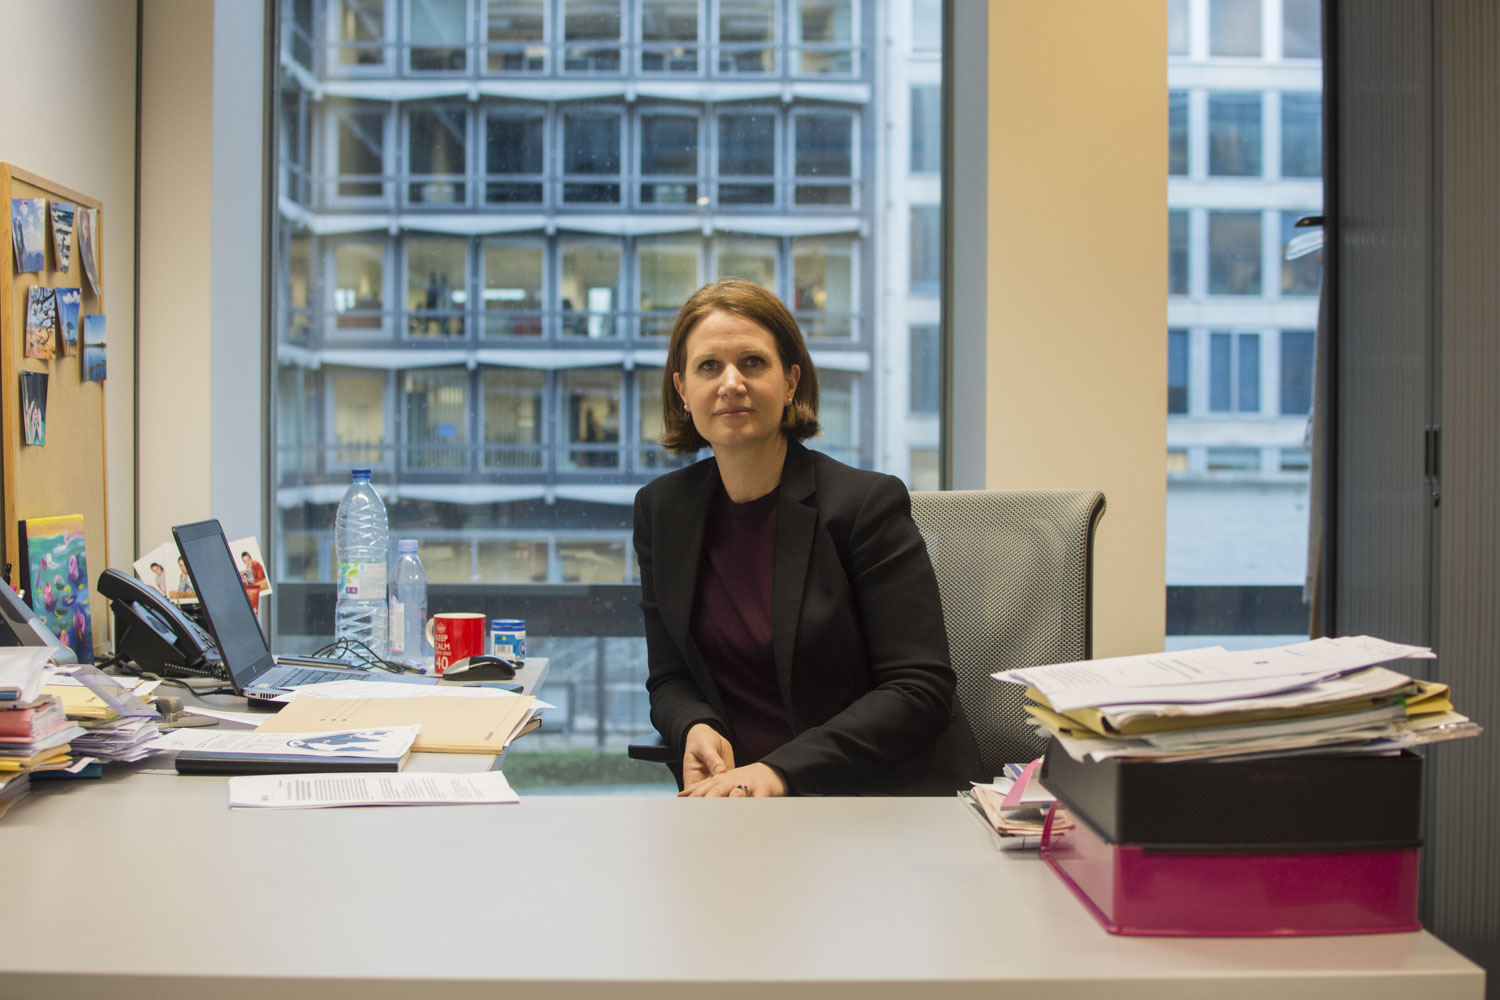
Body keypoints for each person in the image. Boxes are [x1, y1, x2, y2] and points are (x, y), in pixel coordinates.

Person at [633, 279, 983, 797]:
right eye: (709, 367)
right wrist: (693, 726)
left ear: (791, 381)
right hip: (741, 805)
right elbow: (669, 679)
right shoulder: (662, 510)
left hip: (879, 803)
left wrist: (779, 772)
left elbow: (918, 690)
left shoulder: (863, 505)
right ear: (683, 391)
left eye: (753, 362)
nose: (731, 382)